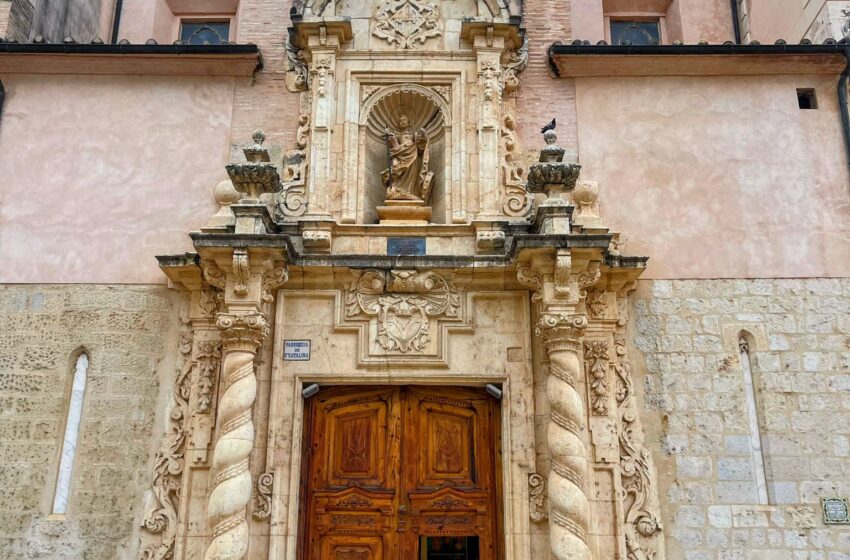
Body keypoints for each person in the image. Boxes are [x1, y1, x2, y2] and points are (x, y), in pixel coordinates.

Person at [381, 115, 433, 202]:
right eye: (400, 121)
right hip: (400, 155)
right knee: (397, 169)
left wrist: (423, 135)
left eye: (405, 120)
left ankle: (409, 191)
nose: (402, 122)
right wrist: (390, 137)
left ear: (409, 123)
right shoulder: (397, 134)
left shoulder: (413, 134)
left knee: (411, 174)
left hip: (412, 155)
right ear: (398, 124)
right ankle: (396, 188)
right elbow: (394, 146)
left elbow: (420, 146)